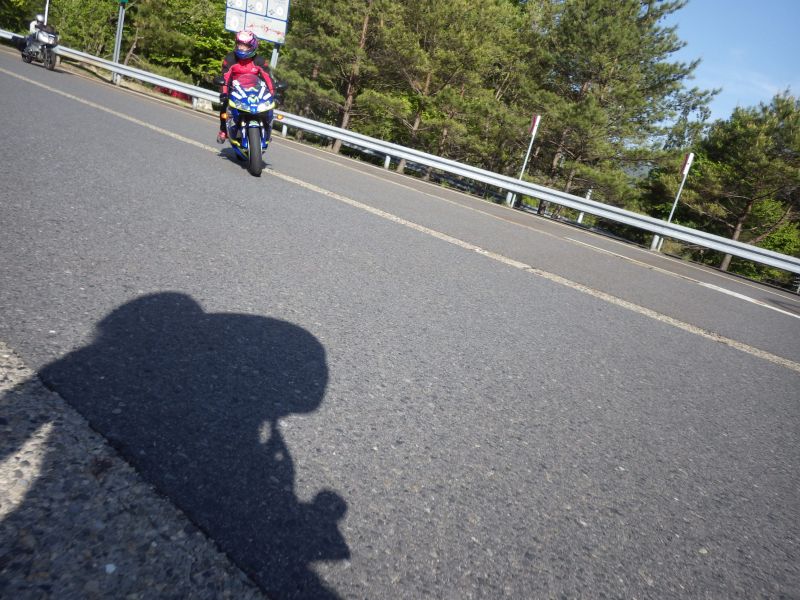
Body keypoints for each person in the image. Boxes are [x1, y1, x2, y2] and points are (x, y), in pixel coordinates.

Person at [217, 30, 275, 144]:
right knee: (225, 106)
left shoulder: (259, 60)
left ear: (252, 46)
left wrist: (273, 94)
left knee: (268, 108)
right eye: (239, 44)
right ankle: (223, 130)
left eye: (245, 45)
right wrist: (224, 93)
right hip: (235, 90)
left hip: (255, 92)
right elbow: (225, 77)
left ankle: (267, 131)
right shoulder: (230, 58)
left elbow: (268, 77)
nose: (241, 47)